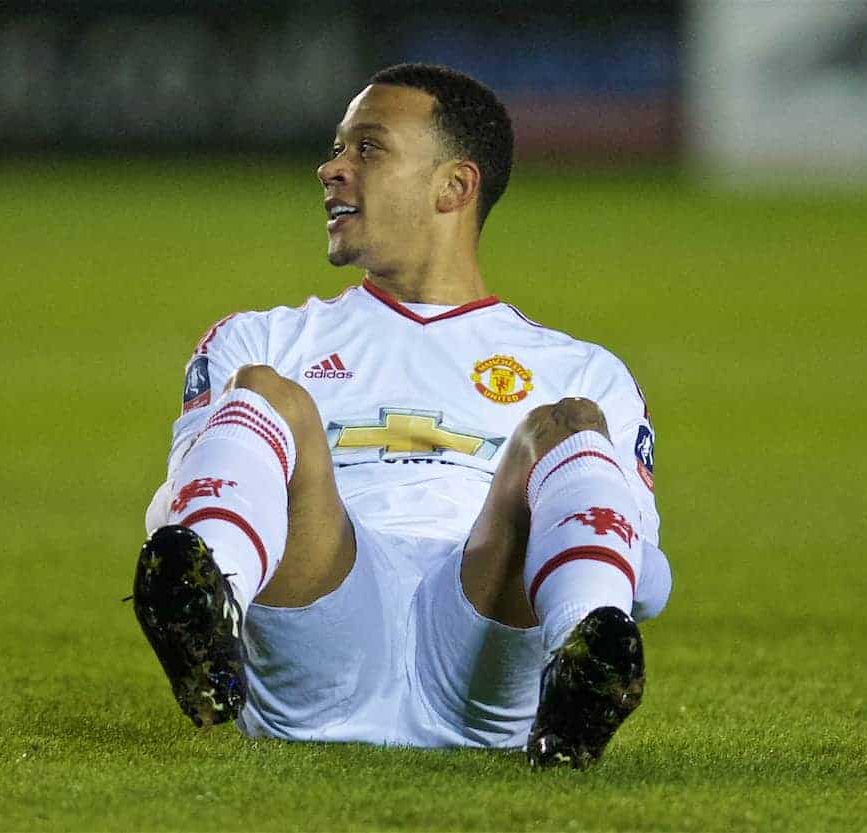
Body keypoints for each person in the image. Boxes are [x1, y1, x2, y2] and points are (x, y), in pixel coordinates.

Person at [131, 63, 672, 769]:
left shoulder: (585, 373)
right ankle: (208, 642)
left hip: (484, 637)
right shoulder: (258, 342)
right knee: (269, 392)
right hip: (321, 625)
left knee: (564, 426)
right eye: (337, 148)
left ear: (454, 186)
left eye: (366, 148)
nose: (331, 168)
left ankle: (582, 676)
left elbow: (648, 581)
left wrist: (591, 578)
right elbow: (175, 514)